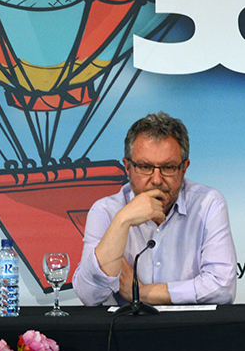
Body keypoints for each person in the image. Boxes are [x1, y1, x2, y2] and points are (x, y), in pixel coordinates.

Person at [73, 112, 236, 306]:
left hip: (189, 330)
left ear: (184, 167)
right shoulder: (105, 211)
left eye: (168, 167)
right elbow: (88, 295)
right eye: (144, 167)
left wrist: (141, 293)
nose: (157, 180)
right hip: (126, 332)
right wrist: (122, 221)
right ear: (127, 167)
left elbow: (222, 288)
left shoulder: (208, 204)